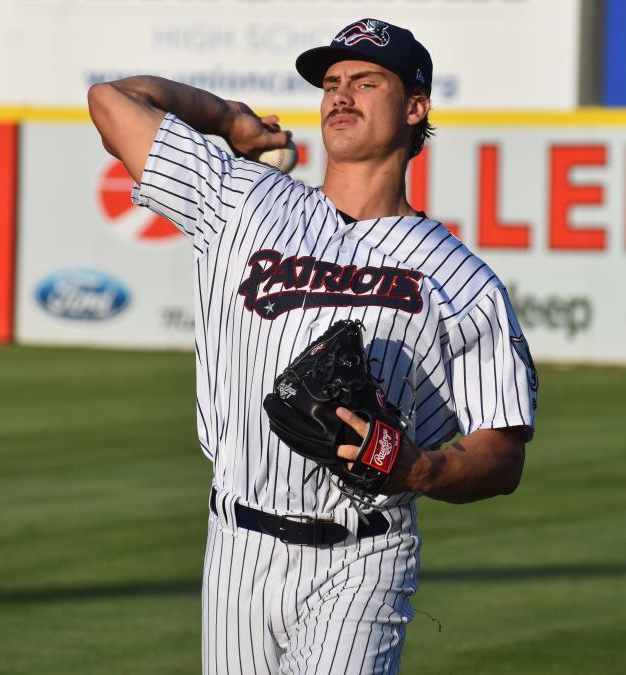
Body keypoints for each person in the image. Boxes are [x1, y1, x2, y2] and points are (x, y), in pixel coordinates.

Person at [88, 17, 537, 675]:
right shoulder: (243, 201)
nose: (341, 95)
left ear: (416, 107)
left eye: (365, 81)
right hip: (237, 547)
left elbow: (503, 452)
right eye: (331, 83)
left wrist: (419, 469)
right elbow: (112, 102)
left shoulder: (461, 280)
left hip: (364, 553)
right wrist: (228, 117)